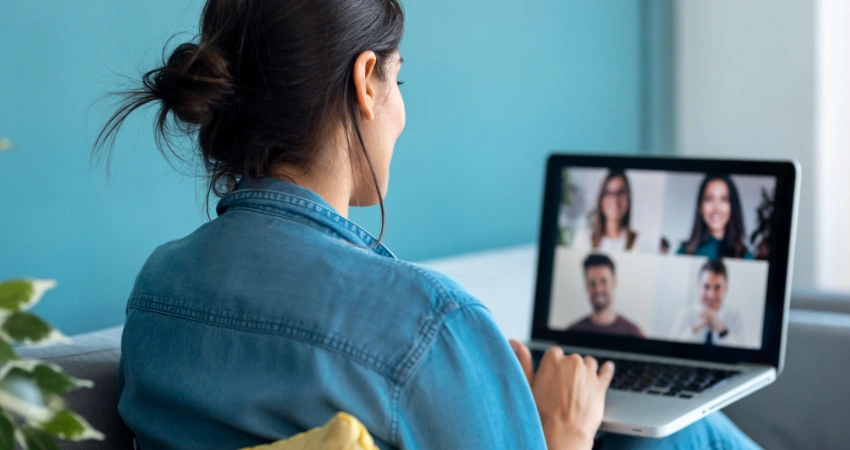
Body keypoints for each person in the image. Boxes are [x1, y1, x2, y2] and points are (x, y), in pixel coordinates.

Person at [93, 0, 759, 448]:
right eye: (398, 82)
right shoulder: (426, 324)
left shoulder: (156, 293)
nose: (400, 113)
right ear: (366, 84)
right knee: (678, 434)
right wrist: (560, 434)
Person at [566, 254, 645, 338]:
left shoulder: (633, 333)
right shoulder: (572, 331)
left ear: (614, 282)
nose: (598, 289)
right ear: (586, 286)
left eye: (604, 281)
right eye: (592, 283)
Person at [670, 260, 745, 347]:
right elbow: (672, 349)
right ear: (698, 287)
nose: (711, 295)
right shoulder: (685, 313)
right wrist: (695, 328)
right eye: (706, 286)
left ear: (726, 289)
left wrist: (722, 329)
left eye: (717, 287)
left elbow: (743, 354)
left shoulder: (736, 317)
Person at [678, 174, 754, 259]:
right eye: (709, 199)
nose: (716, 208)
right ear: (700, 206)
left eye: (724, 199)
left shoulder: (745, 256)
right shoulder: (684, 252)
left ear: (732, 206)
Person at [575, 170, 641, 252]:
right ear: (601, 199)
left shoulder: (639, 242)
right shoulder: (583, 238)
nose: (615, 200)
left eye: (621, 193)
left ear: (629, 198)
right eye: (608, 193)